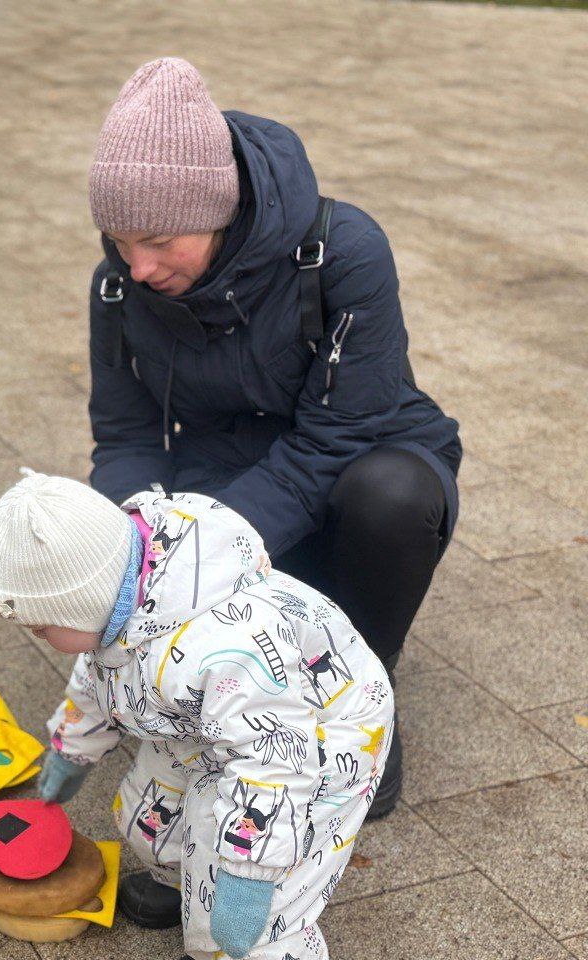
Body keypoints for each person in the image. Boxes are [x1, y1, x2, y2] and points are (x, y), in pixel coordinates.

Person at [84, 58, 462, 838]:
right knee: (187, 590)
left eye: (157, 241)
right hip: (228, 467)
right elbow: (124, 435)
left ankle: (366, 693)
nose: (137, 267)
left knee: (389, 498)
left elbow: (336, 437)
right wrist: (133, 546)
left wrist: (201, 547)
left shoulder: (344, 249)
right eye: (119, 242)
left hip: (365, 455)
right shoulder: (120, 285)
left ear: (218, 213)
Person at [0, 472, 393, 960]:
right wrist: (71, 752)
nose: (40, 638)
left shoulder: (224, 647)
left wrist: (248, 873)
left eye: (43, 628)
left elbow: (274, 762)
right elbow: (96, 682)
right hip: (206, 726)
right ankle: (182, 884)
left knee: (255, 918)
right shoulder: (117, 602)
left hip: (316, 737)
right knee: (148, 818)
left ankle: (257, 935)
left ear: (84, 602)